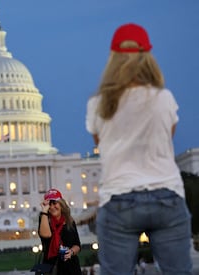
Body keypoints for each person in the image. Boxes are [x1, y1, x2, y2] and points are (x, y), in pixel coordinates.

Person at [86, 23, 193, 275]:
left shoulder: (99, 104)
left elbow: (100, 144)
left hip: (119, 199)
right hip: (166, 196)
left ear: (112, 58)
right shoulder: (164, 99)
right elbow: (167, 139)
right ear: (148, 58)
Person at [38, 188, 82, 275]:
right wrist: (44, 210)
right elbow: (46, 235)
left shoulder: (69, 221)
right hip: (50, 266)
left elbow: (77, 245)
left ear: (61, 204)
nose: (52, 207)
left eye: (54, 203)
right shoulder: (44, 218)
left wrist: (71, 252)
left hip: (70, 266)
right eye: (49, 204)